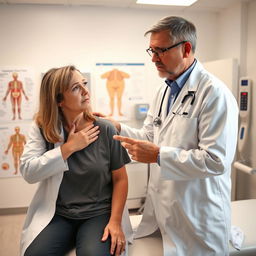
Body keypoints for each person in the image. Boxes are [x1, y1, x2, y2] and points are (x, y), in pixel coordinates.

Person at [98, 16, 239, 255]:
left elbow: (216, 160)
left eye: (160, 50)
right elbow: (150, 135)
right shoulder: (164, 89)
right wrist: (117, 127)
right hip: (165, 214)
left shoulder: (215, 94)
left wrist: (159, 155)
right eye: (151, 51)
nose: (153, 58)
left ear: (185, 49)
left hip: (198, 219)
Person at [20, 65, 132, 256]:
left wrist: (115, 221)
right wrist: (69, 147)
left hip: (98, 213)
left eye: (84, 84)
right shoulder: (43, 129)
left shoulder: (105, 129)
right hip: (59, 214)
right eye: (75, 88)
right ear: (59, 100)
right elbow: (29, 172)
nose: (86, 91)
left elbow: (120, 179)